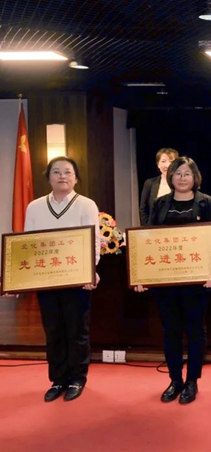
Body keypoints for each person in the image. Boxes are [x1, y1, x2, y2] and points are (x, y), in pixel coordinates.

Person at [134, 156, 211, 405]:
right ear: (170, 176)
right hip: (166, 281)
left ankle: (192, 381)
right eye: (178, 173)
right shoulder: (160, 203)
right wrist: (141, 274)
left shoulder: (208, 202)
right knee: (170, 331)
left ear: (195, 177)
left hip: (197, 281)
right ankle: (175, 380)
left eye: (187, 173)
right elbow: (149, 239)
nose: (182, 178)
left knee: (195, 331)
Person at [24, 156, 101, 402]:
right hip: (46, 279)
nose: (62, 176)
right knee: (53, 330)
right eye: (56, 172)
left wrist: (90, 271)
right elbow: (28, 244)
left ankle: (77, 379)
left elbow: (93, 242)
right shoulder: (35, 207)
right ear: (48, 177)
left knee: (77, 330)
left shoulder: (86, 205)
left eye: (68, 172)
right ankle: (58, 380)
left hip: (77, 280)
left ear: (76, 177)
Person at [139, 147, 179, 226]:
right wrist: (147, 228)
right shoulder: (149, 183)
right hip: (154, 228)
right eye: (163, 161)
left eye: (171, 161)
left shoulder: (182, 184)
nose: (167, 165)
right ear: (158, 164)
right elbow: (143, 209)